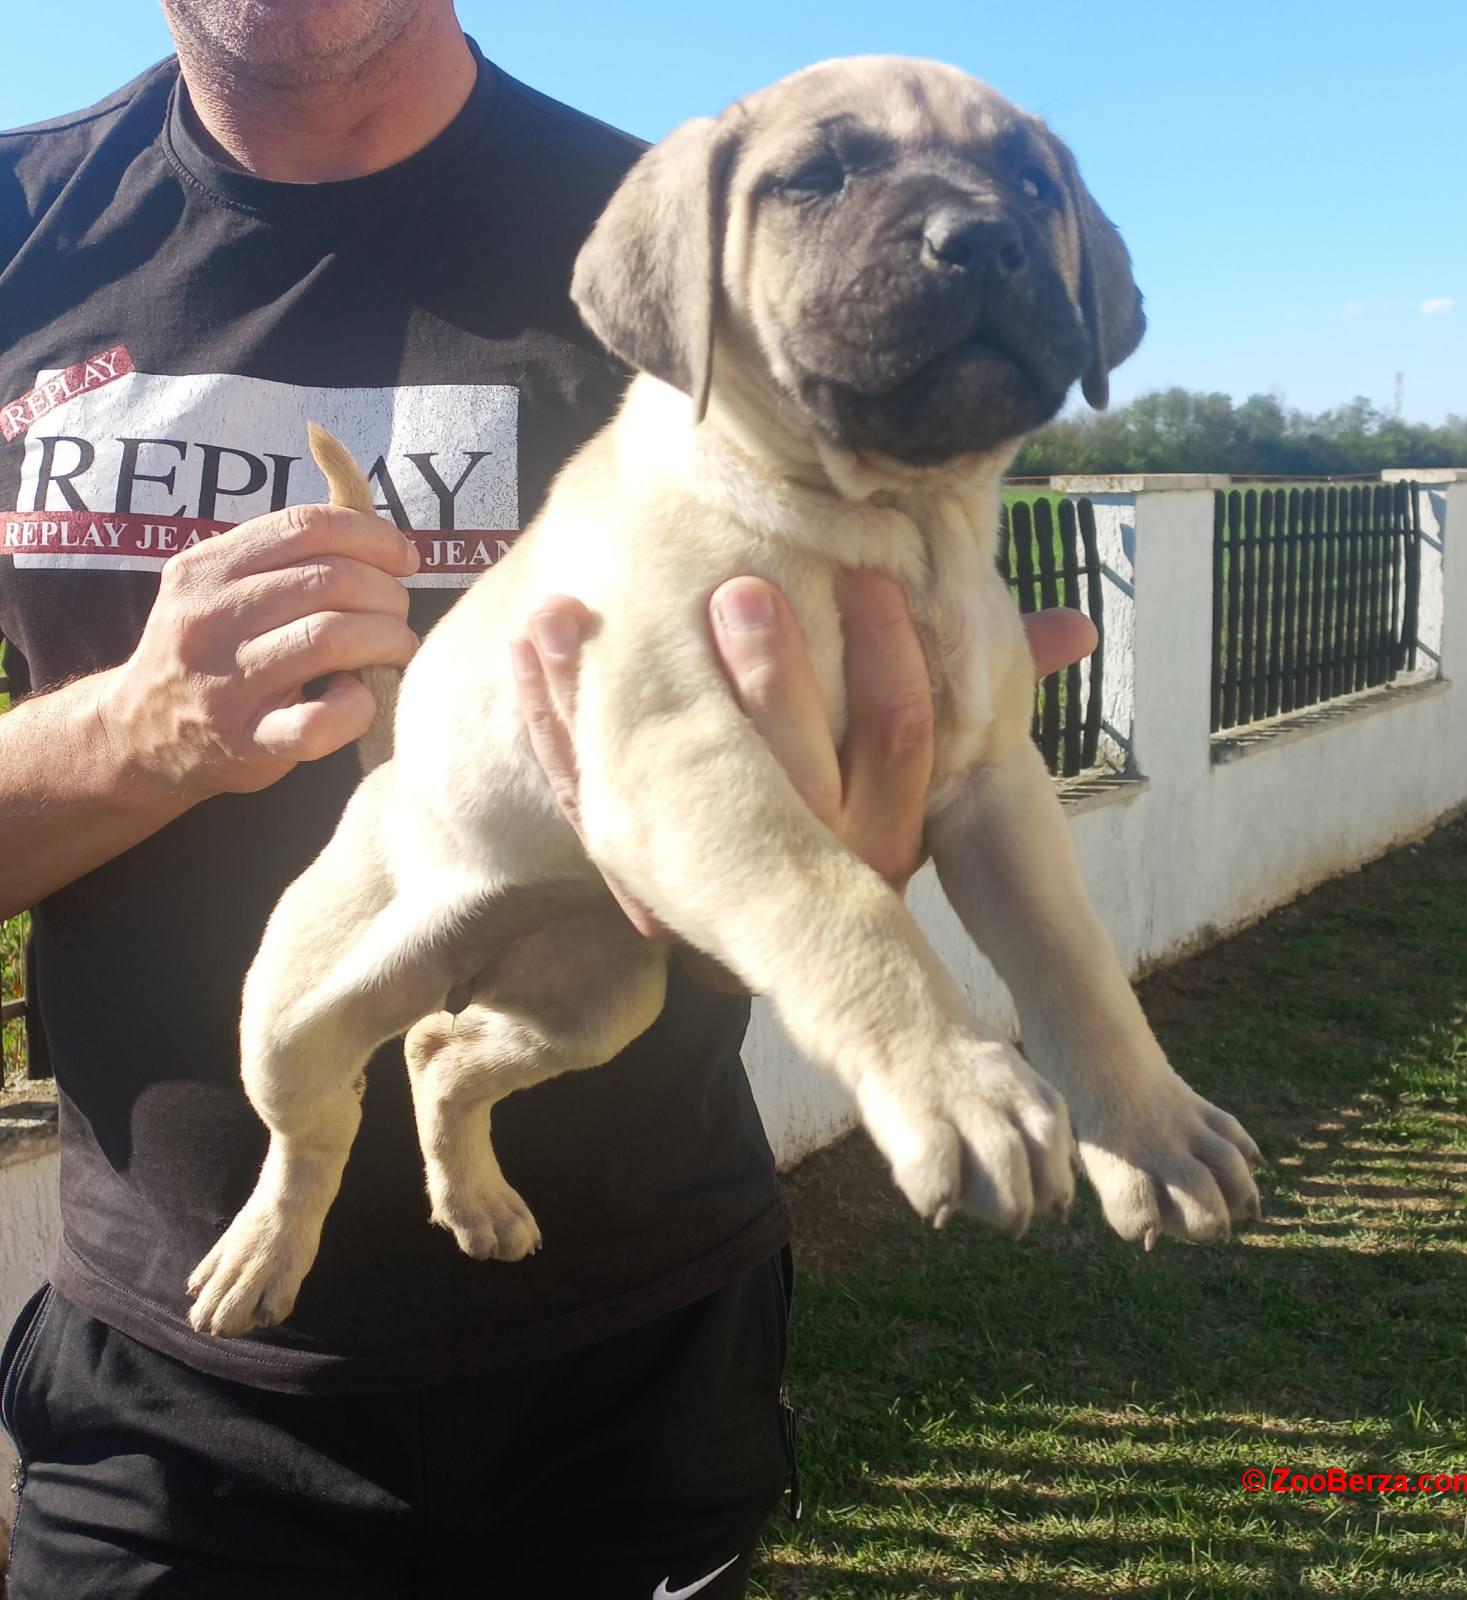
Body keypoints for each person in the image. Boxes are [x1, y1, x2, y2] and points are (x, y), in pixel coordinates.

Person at [0, 3, 1095, 1594]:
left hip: (627, 1363)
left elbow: (802, 793)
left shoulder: (701, 226)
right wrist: (145, 728)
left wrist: (840, 846)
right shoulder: (24, 229)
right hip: (171, 1393)